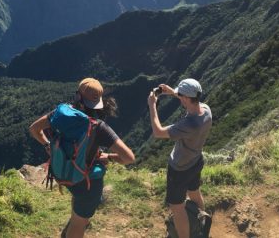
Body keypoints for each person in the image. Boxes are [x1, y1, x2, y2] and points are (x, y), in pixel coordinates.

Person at [29, 78, 136, 238]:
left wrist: (47, 146)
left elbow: (34, 129)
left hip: (63, 173)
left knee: (78, 208)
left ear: (78, 96)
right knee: (79, 224)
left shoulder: (60, 114)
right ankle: (77, 222)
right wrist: (110, 157)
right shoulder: (98, 127)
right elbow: (129, 157)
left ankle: (76, 216)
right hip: (87, 183)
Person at [148, 78, 213, 238]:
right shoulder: (206, 110)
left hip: (179, 168)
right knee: (194, 192)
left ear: (186, 98)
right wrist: (172, 92)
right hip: (196, 161)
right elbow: (190, 100)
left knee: (177, 208)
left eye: (181, 95)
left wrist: (152, 105)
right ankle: (201, 224)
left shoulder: (188, 124)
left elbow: (158, 132)